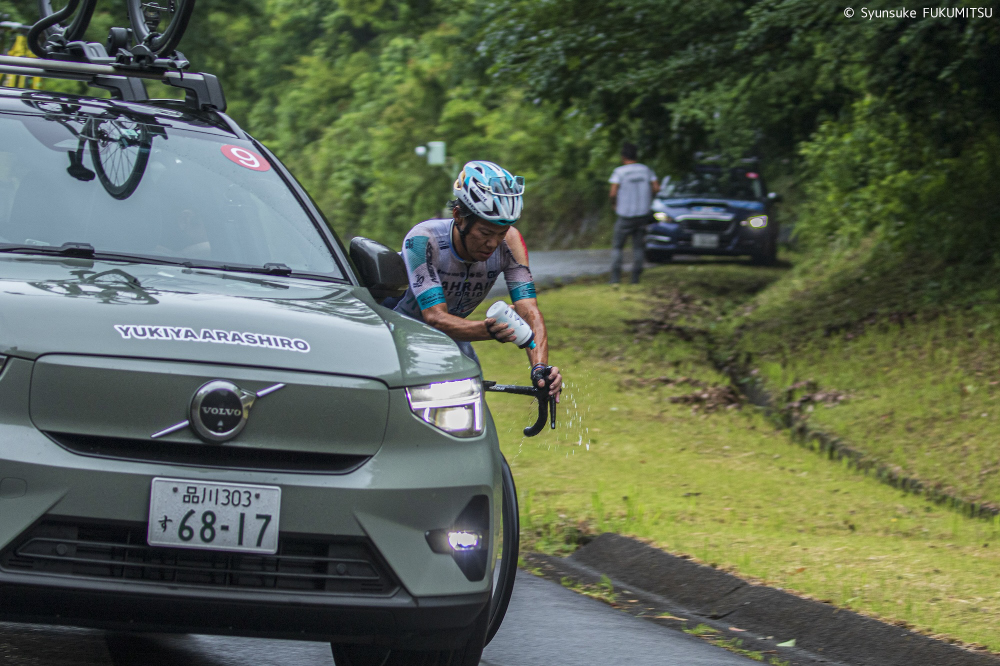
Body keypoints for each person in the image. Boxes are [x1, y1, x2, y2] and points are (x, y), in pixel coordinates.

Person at [392, 160, 562, 402]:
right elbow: (434, 318)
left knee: (472, 408)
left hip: (452, 338)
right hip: (396, 334)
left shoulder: (510, 243)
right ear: (459, 217)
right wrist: (488, 330)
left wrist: (540, 369)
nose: (493, 243)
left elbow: (528, 311)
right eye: (485, 232)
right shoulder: (424, 240)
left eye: (501, 233)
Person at [608, 142, 659, 284]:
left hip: (625, 215)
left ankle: (615, 279)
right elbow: (656, 187)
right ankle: (635, 278)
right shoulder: (646, 170)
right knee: (638, 246)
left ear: (623, 157)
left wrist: (614, 204)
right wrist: (649, 198)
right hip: (643, 214)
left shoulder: (619, 172)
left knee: (618, 246)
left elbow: (613, 193)